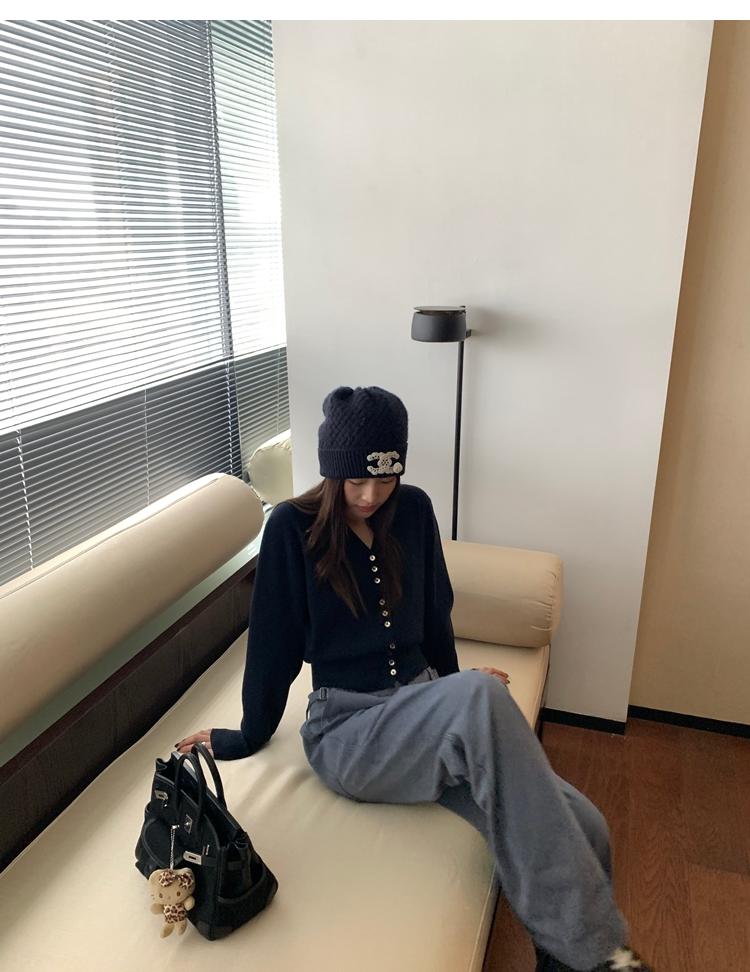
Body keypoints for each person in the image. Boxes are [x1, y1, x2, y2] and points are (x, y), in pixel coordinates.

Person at [176, 385, 652, 972]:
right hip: (349, 733)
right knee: (482, 697)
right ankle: (604, 956)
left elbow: (434, 617)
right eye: (356, 481)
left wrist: (454, 692)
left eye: (385, 479)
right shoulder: (291, 530)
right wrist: (245, 736)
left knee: (589, 825)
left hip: (424, 713)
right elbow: (272, 646)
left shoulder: (416, 511)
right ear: (331, 471)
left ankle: (564, 964)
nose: (371, 495)